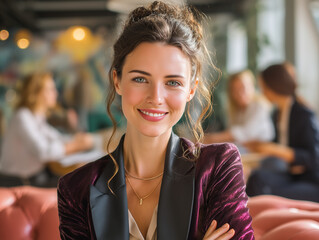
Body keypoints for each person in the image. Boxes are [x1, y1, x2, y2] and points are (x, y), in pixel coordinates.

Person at [57, 2, 254, 239]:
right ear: (117, 80)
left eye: (173, 82)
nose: (156, 98)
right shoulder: (76, 189)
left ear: (191, 90)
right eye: (140, 79)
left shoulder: (218, 168)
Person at [0, 72, 95, 187]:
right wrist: (76, 145)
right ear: (36, 93)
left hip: (34, 177)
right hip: (18, 183)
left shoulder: (37, 117)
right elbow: (43, 151)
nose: (55, 93)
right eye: (50, 89)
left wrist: (76, 138)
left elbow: (56, 138)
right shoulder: (22, 116)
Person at [245, 63, 319, 202]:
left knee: (265, 190)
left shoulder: (303, 114)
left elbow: (312, 158)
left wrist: (274, 149)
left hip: (311, 181)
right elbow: (280, 145)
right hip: (293, 176)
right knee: (256, 178)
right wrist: (261, 147)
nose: (262, 91)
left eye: (263, 87)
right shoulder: (277, 114)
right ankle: (246, 220)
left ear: (274, 86)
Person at [203, 70, 274, 147]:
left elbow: (245, 133)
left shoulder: (259, 106)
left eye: (243, 87)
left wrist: (211, 139)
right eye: (235, 89)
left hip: (261, 153)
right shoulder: (235, 111)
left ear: (252, 86)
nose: (239, 93)